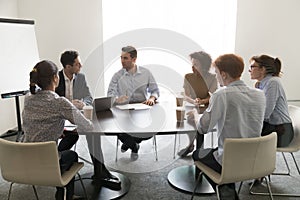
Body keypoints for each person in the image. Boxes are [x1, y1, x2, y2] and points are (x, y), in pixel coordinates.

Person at [187, 54, 266, 199]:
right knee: (221, 148)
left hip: (229, 162)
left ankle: (225, 187)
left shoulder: (221, 95)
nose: (216, 77)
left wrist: (196, 115)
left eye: (216, 73)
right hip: (257, 160)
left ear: (223, 74)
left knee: (197, 154)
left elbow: (203, 129)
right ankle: (227, 186)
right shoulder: (260, 95)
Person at [22, 60, 93, 200]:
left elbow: (37, 121)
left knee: (71, 137)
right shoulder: (59, 102)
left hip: (25, 161)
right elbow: (87, 126)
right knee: (72, 156)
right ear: (55, 78)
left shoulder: (28, 98)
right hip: (47, 164)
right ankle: (68, 196)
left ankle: (60, 192)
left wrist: (55, 130)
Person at [56, 50, 121, 190]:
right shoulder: (55, 79)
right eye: (77, 63)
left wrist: (83, 103)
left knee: (92, 135)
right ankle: (56, 162)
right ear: (68, 66)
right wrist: (68, 104)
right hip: (62, 121)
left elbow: (89, 97)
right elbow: (53, 103)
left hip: (79, 118)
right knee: (70, 140)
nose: (81, 65)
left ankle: (100, 172)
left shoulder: (81, 77)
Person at [107, 46, 160, 160]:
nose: (122, 61)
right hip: (124, 110)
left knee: (150, 131)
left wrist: (151, 98)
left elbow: (155, 91)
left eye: (125, 58)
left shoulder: (146, 73)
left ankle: (130, 143)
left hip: (142, 109)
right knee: (117, 128)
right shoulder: (117, 75)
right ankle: (134, 145)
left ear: (134, 59)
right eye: (121, 58)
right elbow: (110, 94)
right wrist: (116, 99)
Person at [177, 51, 217, 157]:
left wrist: (202, 101)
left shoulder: (213, 77)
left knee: (199, 120)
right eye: (192, 64)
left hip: (207, 107)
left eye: (196, 64)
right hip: (192, 105)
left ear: (204, 66)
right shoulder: (188, 76)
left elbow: (212, 95)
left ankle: (193, 147)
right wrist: (194, 101)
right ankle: (196, 147)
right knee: (191, 118)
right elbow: (186, 95)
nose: (192, 67)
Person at [249, 54, 294, 147]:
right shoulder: (260, 84)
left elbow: (265, 113)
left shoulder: (273, 82)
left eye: (252, 66)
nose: (249, 70)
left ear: (263, 69)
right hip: (271, 127)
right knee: (242, 133)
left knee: (244, 137)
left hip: (282, 131)